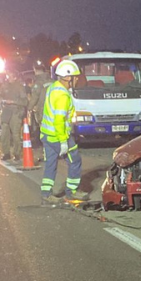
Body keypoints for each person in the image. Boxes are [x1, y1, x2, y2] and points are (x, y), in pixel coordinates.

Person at [40, 60, 88, 203]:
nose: (77, 79)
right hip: (58, 136)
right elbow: (59, 120)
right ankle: (71, 191)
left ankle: (46, 194)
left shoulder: (54, 88)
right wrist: (63, 142)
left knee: (51, 164)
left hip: (47, 135)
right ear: (68, 78)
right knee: (75, 161)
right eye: (75, 76)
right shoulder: (63, 96)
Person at [0, 73, 28, 163]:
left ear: (15, 77)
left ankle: (17, 153)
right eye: (8, 76)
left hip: (16, 111)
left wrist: (13, 102)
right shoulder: (4, 86)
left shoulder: (19, 87)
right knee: (4, 133)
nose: (8, 78)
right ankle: (6, 153)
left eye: (10, 76)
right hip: (6, 111)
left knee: (16, 134)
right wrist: (0, 99)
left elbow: (25, 101)